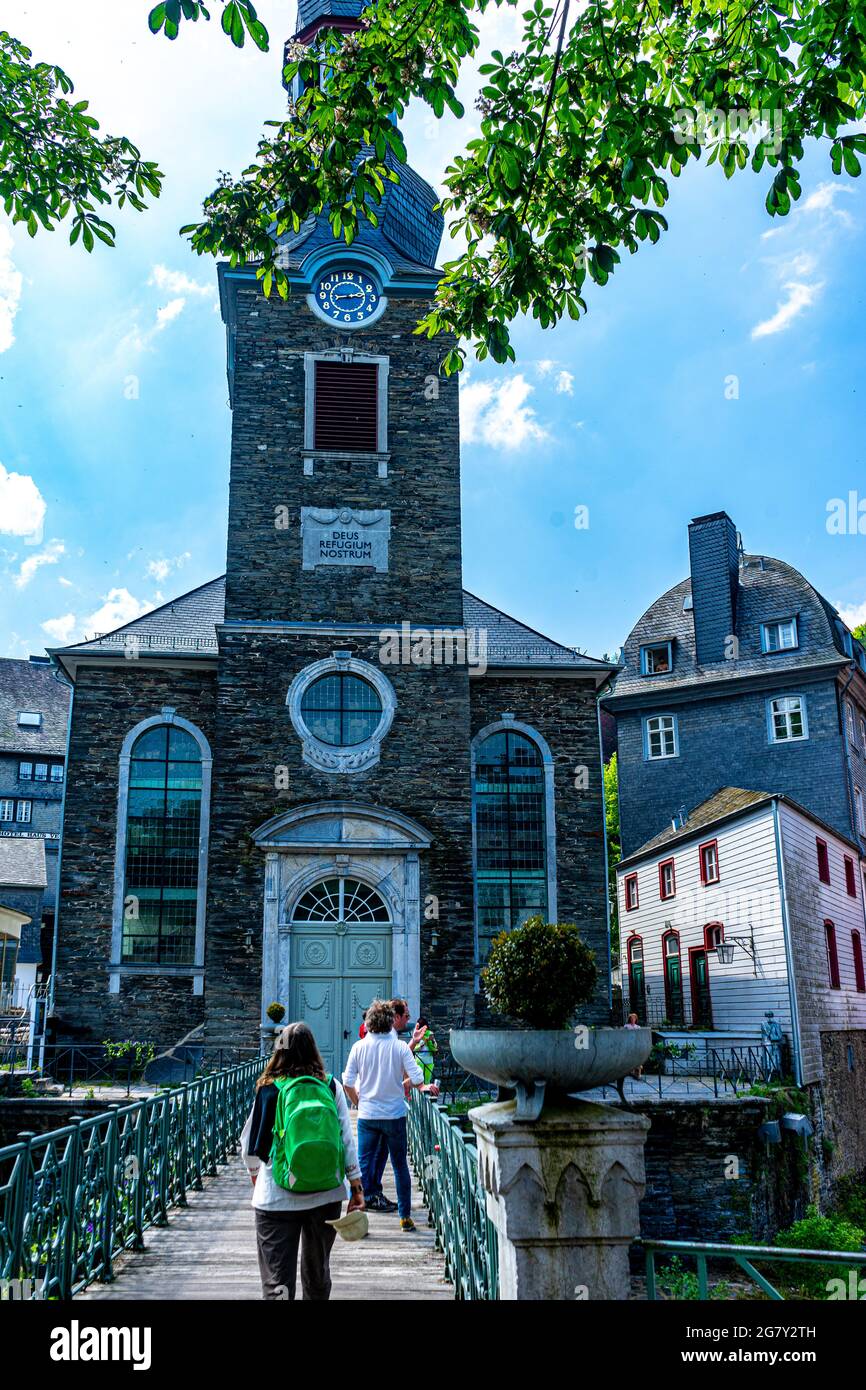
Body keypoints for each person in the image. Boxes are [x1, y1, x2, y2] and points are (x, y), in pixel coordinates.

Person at [241, 1021, 364, 1300]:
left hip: (275, 1196)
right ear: (314, 1050)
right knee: (317, 1276)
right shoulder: (330, 1085)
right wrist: (356, 1188)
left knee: (277, 1284)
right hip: (325, 1194)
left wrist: (256, 1178)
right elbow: (346, 1140)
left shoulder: (269, 1088)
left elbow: (249, 1146)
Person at [342, 998, 438, 1231]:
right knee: (399, 1166)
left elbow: (347, 1082)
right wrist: (402, 1083)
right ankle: (405, 1216)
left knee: (361, 1165)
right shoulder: (400, 1047)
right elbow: (417, 1079)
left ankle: (358, 1213)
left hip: (368, 1115)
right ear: (389, 1021)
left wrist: (358, 1102)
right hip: (394, 1115)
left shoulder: (359, 1046)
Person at [624, 1011, 643, 1078]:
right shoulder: (626, 1026)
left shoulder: (638, 1027)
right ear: (630, 1019)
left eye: (634, 1018)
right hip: (629, 1043)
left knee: (637, 1058)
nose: (633, 1019)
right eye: (631, 1018)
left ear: (636, 1019)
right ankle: (630, 1071)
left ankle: (637, 1073)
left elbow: (639, 1035)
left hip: (636, 1044)